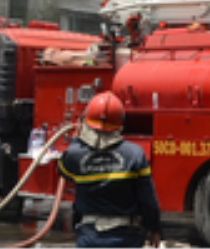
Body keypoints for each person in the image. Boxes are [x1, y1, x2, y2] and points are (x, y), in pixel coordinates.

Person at [59, 92, 161, 248]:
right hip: (126, 237)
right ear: (121, 123)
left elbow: (64, 171)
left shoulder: (74, 155)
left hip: (90, 236)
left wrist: (76, 139)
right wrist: (153, 228)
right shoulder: (135, 154)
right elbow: (148, 200)